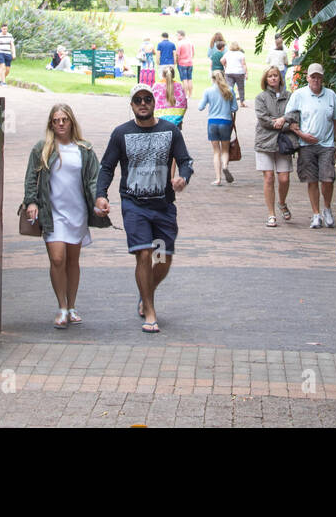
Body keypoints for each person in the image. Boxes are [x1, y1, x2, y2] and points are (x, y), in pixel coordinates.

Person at [96, 84, 195, 333]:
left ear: (154, 102)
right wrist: (101, 195)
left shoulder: (170, 131)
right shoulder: (121, 133)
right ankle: (150, 311)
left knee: (163, 259)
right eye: (138, 100)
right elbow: (107, 166)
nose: (143, 103)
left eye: (147, 99)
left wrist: (183, 177)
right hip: (134, 205)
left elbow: (185, 161)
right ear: (131, 105)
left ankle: (145, 292)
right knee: (143, 254)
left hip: (162, 207)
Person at [22, 105, 111, 328]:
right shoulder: (42, 149)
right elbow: (31, 178)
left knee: (72, 260)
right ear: (51, 124)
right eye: (56, 120)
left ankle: (72, 306)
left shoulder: (84, 149)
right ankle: (61, 307)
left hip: (77, 212)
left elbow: (94, 180)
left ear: (71, 122)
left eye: (64, 119)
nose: (60, 124)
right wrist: (31, 201)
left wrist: (99, 201)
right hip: (52, 214)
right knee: (57, 258)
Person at [284, 63, 336, 228]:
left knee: (327, 179)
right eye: (313, 77)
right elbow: (289, 118)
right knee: (311, 180)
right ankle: (316, 213)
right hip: (306, 145)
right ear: (308, 77)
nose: (316, 80)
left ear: (322, 78)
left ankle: (327, 208)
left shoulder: (330, 95)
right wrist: (301, 134)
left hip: (326, 144)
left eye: (319, 77)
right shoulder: (299, 95)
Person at [254, 65, 294, 226]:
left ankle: (282, 202)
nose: (273, 78)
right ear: (266, 79)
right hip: (265, 141)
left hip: (283, 142)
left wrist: (283, 121)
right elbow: (263, 119)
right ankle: (271, 214)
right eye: (270, 76)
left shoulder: (289, 96)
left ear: (280, 78)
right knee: (269, 177)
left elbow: (293, 114)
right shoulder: (261, 97)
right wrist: (281, 123)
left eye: (275, 76)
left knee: (284, 178)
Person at [198, 71, 238, 186]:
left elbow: (200, 107)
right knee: (225, 150)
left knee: (216, 151)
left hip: (212, 122)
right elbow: (235, 107)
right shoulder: (229, 90)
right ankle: (225, 166)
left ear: (212, 78)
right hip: (225, 122)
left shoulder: (208, 91)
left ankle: (218, 178)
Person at [223, 41, 248, 107]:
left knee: (230, 88)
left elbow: (222, 60)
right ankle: (242, 102)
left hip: (229, 72)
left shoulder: (227, 53)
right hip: (239, 73)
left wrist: (225, 65)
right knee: (241, 88)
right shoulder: (240, 54)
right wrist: (246, 73)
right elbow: (244, 64)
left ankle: (229, 102)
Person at [175, 29, 196, 97]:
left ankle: (185, 95)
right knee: (189, 79)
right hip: (190, 63)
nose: (177, 37)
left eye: (177, 35)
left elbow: (177, 54)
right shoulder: (190, 42)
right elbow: (193, 53)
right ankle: (190, 94)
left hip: (182, 63)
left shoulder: (180, 43)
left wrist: (177, 62)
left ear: (181, 36)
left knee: (184, 80)